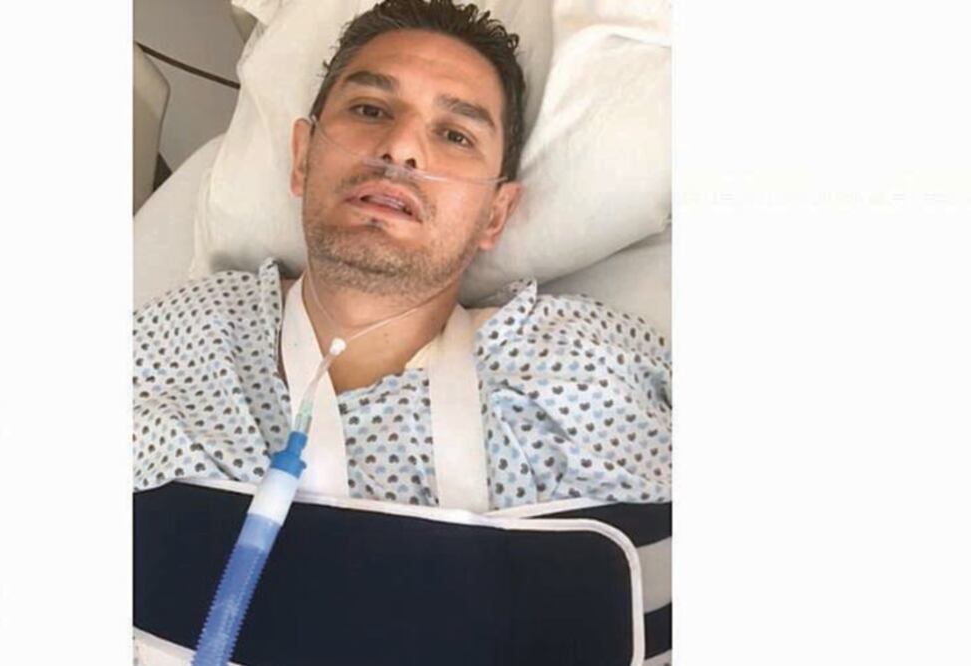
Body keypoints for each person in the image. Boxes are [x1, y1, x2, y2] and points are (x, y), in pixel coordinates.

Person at [132, 0, 671, 510]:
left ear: (495, 214)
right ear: (303, 158)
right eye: (370, 109)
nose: (402, 148)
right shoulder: (176, 342)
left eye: (455, 135)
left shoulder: (576, 371)